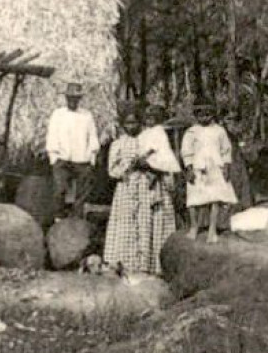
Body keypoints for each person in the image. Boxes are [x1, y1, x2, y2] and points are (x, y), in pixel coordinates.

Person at [104, 102, 181, 277]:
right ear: (123, 125)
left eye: (134, 123)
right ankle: (127, 263)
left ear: (141, 123)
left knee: (148, 222)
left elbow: (163, 158)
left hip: (149, 185)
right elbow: (112, 169)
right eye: (127, 123)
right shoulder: (118, 143)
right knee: (127, 223)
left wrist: (150, 166)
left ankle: (149, 264)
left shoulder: (149, 137)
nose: (131, 127)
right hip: (128, 187)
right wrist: (124, 172)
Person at [181, 103, 238, 243]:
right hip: (197, 167)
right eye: (200, 114)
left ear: (213, 114)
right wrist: (188, 168)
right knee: (194, 198)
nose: (204, 117)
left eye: (208, 113)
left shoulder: (219, 131)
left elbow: (226, 150)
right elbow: (186, 151)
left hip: (215, 167)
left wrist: (226, 167)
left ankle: (212, 230)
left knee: (214, 198)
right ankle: (194, 227)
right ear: (196, 115)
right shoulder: (191, 132)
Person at [45, 81, 101, 218]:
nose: (72, 101)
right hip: (62, 158)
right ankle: (58, 218)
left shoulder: (87, 115)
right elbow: (52, 135)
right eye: (70, 98)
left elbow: (92, 136)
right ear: (66, 98)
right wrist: (54, 157)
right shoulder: (58, 114)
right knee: (59, 189)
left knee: (82, 193)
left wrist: (91, 157)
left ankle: (77, 219)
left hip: (82, 159)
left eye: (75, 98)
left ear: (79, 99)